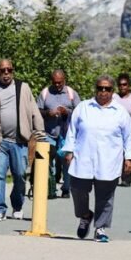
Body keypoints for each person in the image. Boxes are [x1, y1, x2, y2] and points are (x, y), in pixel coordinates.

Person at [62, 75, 131, 243]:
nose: (103, 92)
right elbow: (72, 131)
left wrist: (130, 158)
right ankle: (85, 215)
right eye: (100, 88)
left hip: (109, 161)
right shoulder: (83, 108)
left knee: (105, 197)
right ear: (95, 89)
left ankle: (100, 228)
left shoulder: (120, 112)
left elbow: (128, 137)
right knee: (77, 190)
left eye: (107, 89)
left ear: (113, 91)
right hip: (83, 159)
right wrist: (69, 150)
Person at [0, 59, 44, 222]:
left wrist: (40, 131)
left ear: (13, 71)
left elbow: (34, 110)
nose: (6, 73)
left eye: (9, 70)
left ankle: (17, 206)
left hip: (19, 141)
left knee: (20, 175)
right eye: (2, 70)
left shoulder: (23, 88)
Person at [37, 68, 80, 198]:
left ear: (64, 80)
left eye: (59, 83)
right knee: (49, 162)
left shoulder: (72, 94)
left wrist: (67, 112)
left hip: (66, 134)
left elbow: (80, 113)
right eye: (55, 82)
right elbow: (37, 111)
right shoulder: (45, 93)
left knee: (66, 161)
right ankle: (51, 188)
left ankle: (66, 188)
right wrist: (47, 113)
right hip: (49, 133)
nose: (57, 85)